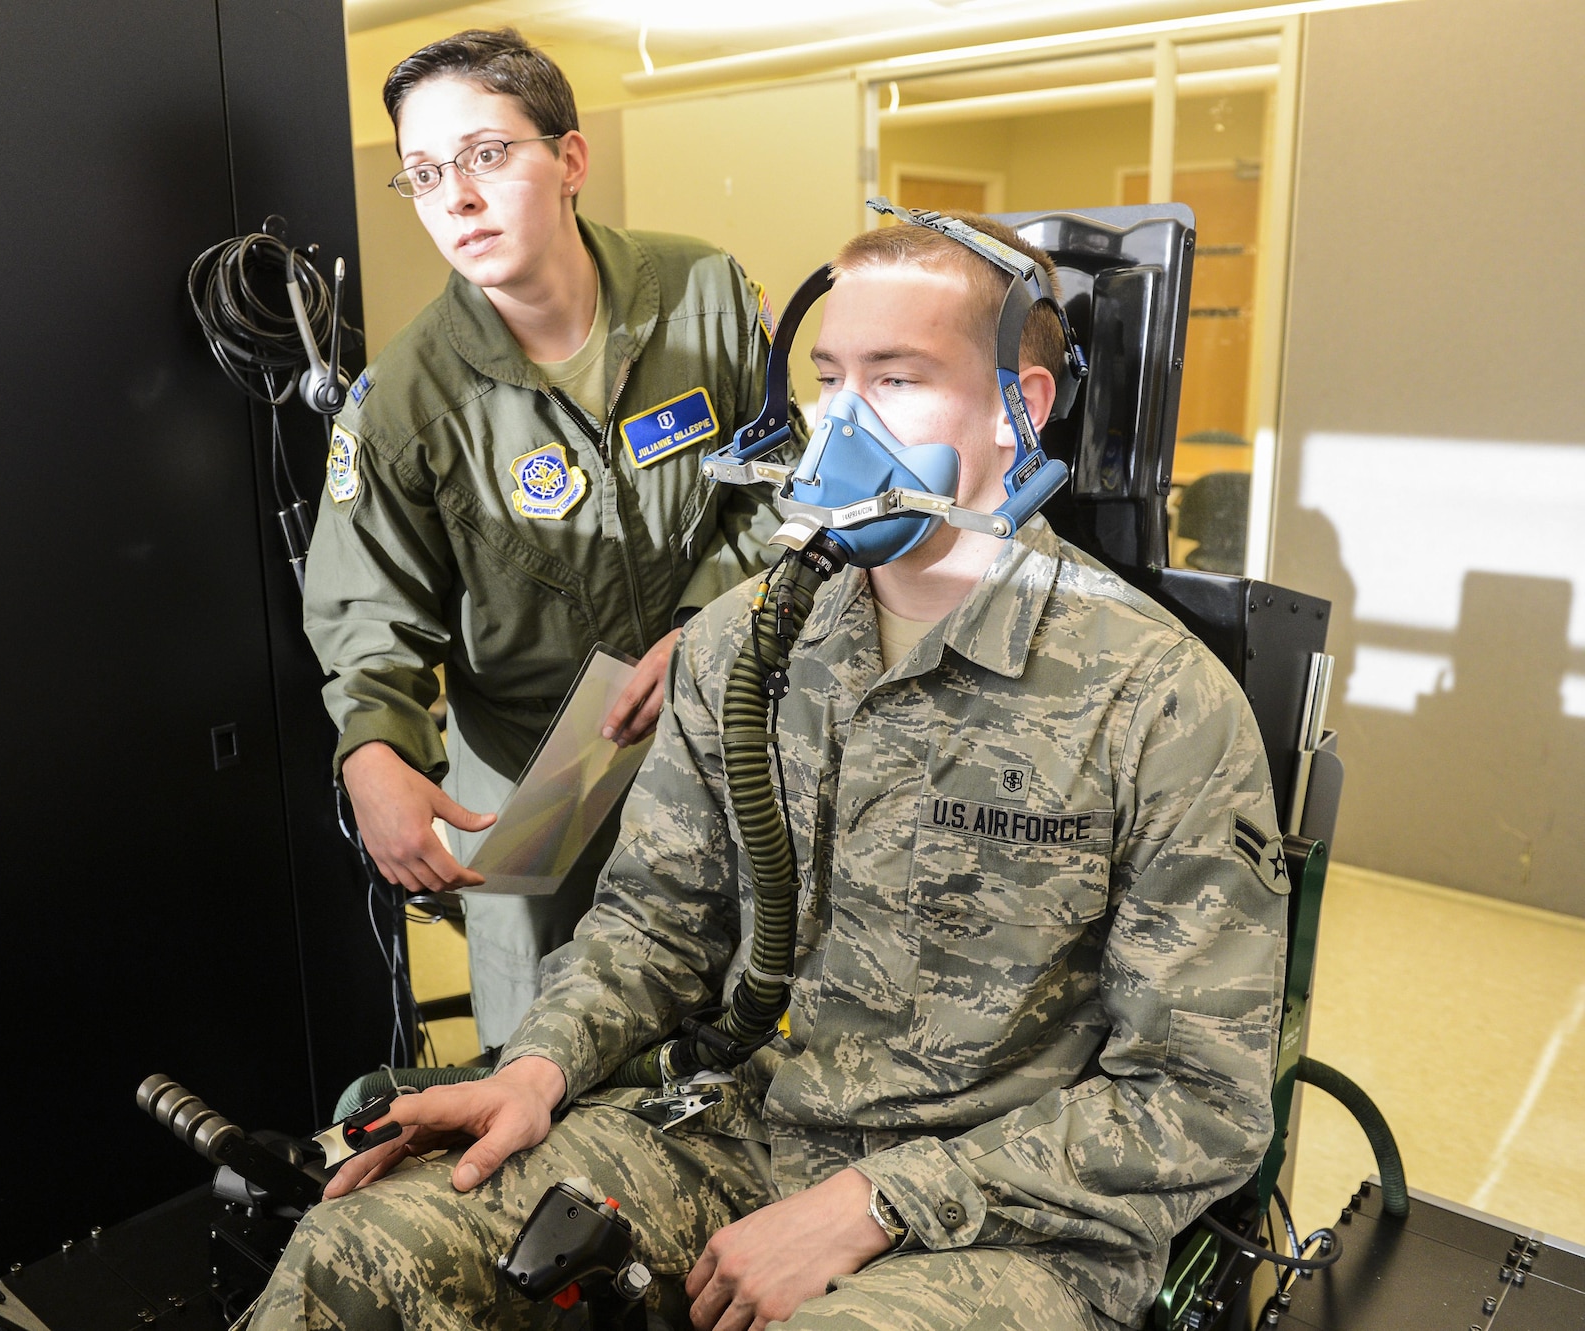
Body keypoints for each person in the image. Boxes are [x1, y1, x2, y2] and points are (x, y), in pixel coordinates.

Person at [258, 210, 1290, 1331]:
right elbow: (653, 922)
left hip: (1006, 1216)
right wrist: (538, 1067)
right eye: (827, 379)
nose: (840, 424)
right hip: (750, 1128)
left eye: (894, 381)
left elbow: (1195, 1100)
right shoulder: (741, 644)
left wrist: (879, 1199)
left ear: (1017, 409)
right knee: (355, 1250)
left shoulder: (1158, 698)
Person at [304, 29, 788, 1051]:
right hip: (541, 763)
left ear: (569, 160)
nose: (456, 199)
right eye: (425, 173)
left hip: (717, 721)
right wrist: (374, 752)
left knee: (743, 1003)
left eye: (485, 155)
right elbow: (367, 619)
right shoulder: (400, 404)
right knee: (541, 1047)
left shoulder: (703, 293)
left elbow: (778, 489)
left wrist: (706, 627)